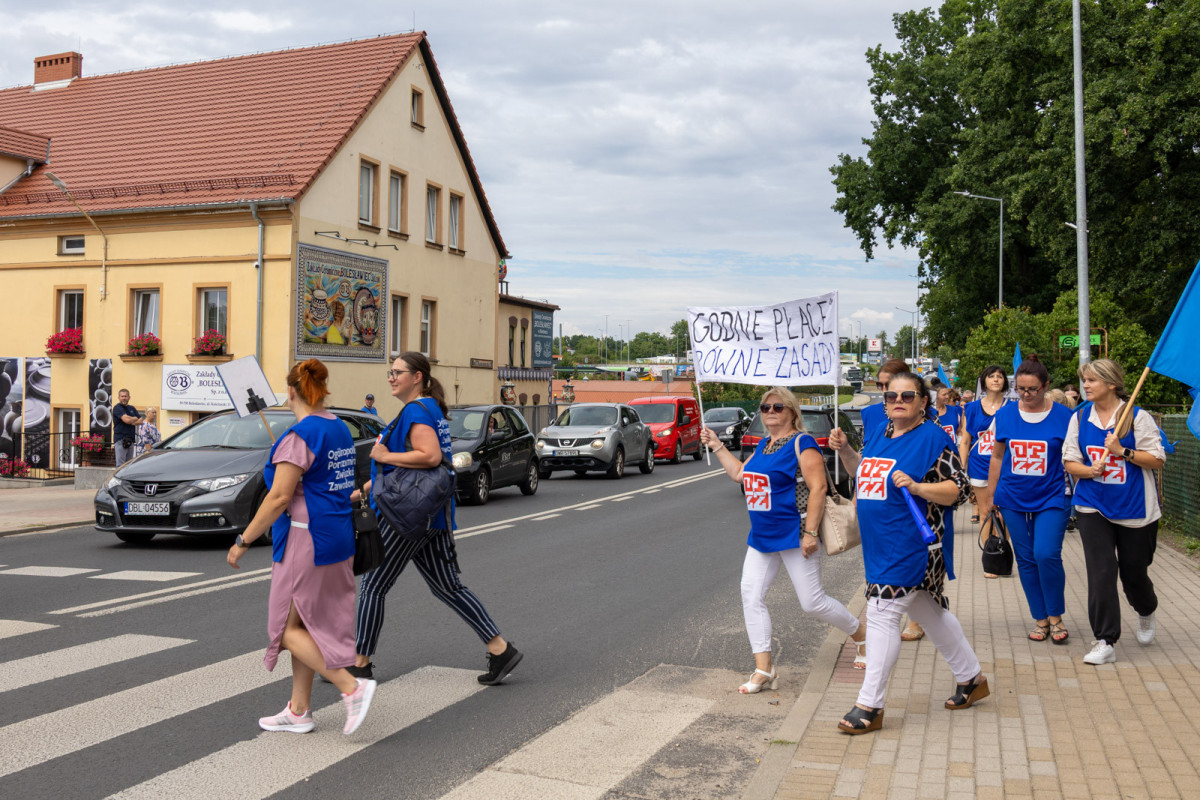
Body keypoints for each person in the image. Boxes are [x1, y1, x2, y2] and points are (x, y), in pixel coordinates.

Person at [830, 371, 986, 734]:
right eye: (891, 396)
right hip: (880, 545)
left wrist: (918, 487)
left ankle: (870, 704)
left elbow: (960, 490)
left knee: (881, 613)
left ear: (923, 402)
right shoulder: (881, 433)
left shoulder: (933, 438)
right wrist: (847, 451)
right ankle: (972, 678)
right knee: (928, 613)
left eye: (907, 396)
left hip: (912, 545)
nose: (897, 401)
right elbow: (864, 474)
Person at [226, 358, 377, 735]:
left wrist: (244, 540)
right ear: (322, 389)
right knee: (305, 623)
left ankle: (351, 687)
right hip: (337, 535)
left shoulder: (299, 436)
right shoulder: (338, 427)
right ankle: (299, 710)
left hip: (305, 538)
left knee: (284, 629)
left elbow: (279, 497)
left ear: (291, 391)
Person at [353, 351, 522, 685]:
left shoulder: (416, 410)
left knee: (373, 585)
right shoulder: (429, 408)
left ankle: (359, 664)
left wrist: (385, 454)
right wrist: (363, 491)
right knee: (448, 587)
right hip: (431, 514)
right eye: (390, 372)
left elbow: (429, 457)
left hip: (407, 517)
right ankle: (500, 649)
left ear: (417, 377)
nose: (391, 377)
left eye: (397, 372)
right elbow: (407, 469)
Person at [699, 387, 868, 694]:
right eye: (765, 408)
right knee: (751, 596)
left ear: (791, 411)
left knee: (812, 603)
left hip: (795, 534)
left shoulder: (802, 443)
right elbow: (740, 474)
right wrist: (717, 445)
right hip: (762, 536)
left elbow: (818, 488)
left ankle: (860, 633)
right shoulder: (764, 445)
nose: (770, 412)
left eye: (778, 407)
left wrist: (811, 533)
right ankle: (764, 669)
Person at [1063, 359, 1166, 665]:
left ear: (1111, 383)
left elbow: (1157, 459)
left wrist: (1123, 452)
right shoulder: (1080, 417)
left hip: (1135, 507)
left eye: (1092, 380)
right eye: (1084, 380)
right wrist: (1088, 471)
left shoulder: (1137, 417)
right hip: (1092, 504)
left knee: (1134, 572)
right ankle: (1105, 640)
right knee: (1102, 571)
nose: (1085, 385)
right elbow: (1069, 461)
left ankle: (1146, 609)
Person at [983, 358, 1074, 644]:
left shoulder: (1065, 416)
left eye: (1032, 389)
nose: (1025, 394)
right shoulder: (1006, 415)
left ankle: (1056, 615)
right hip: (1012, 497)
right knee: (1025, 558)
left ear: (1046, 386)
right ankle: (1040, 618)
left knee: (1045, 554)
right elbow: (997, 456)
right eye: (1020, 389)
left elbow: (1074, 456)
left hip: (1052, 496)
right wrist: (991, 495)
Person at [962, 366, 1008, 533]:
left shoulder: (1013, 407)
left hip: (1005, 466)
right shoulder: (972, 408)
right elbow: (965, 442)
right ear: (984, 381)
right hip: (979, 466)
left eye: (999, 376)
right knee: (985, 512)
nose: (995, 379)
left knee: (1004, 514)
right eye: (991, 376)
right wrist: (962, 468)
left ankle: (1003, 548)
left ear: (1005, 381)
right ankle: (989, 549)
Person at [112, 389, 143, 466]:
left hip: (131, 440)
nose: (124, 398)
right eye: (122, 396)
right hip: (120, 439)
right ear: (118, 398)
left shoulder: (132, 408)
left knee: (128, 465)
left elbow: (141, 421)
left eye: (125, 396)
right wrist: (134, 418)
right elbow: (126, 420)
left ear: (129, 397)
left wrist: (130, 420)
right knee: (121, 465)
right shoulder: (117, 408)